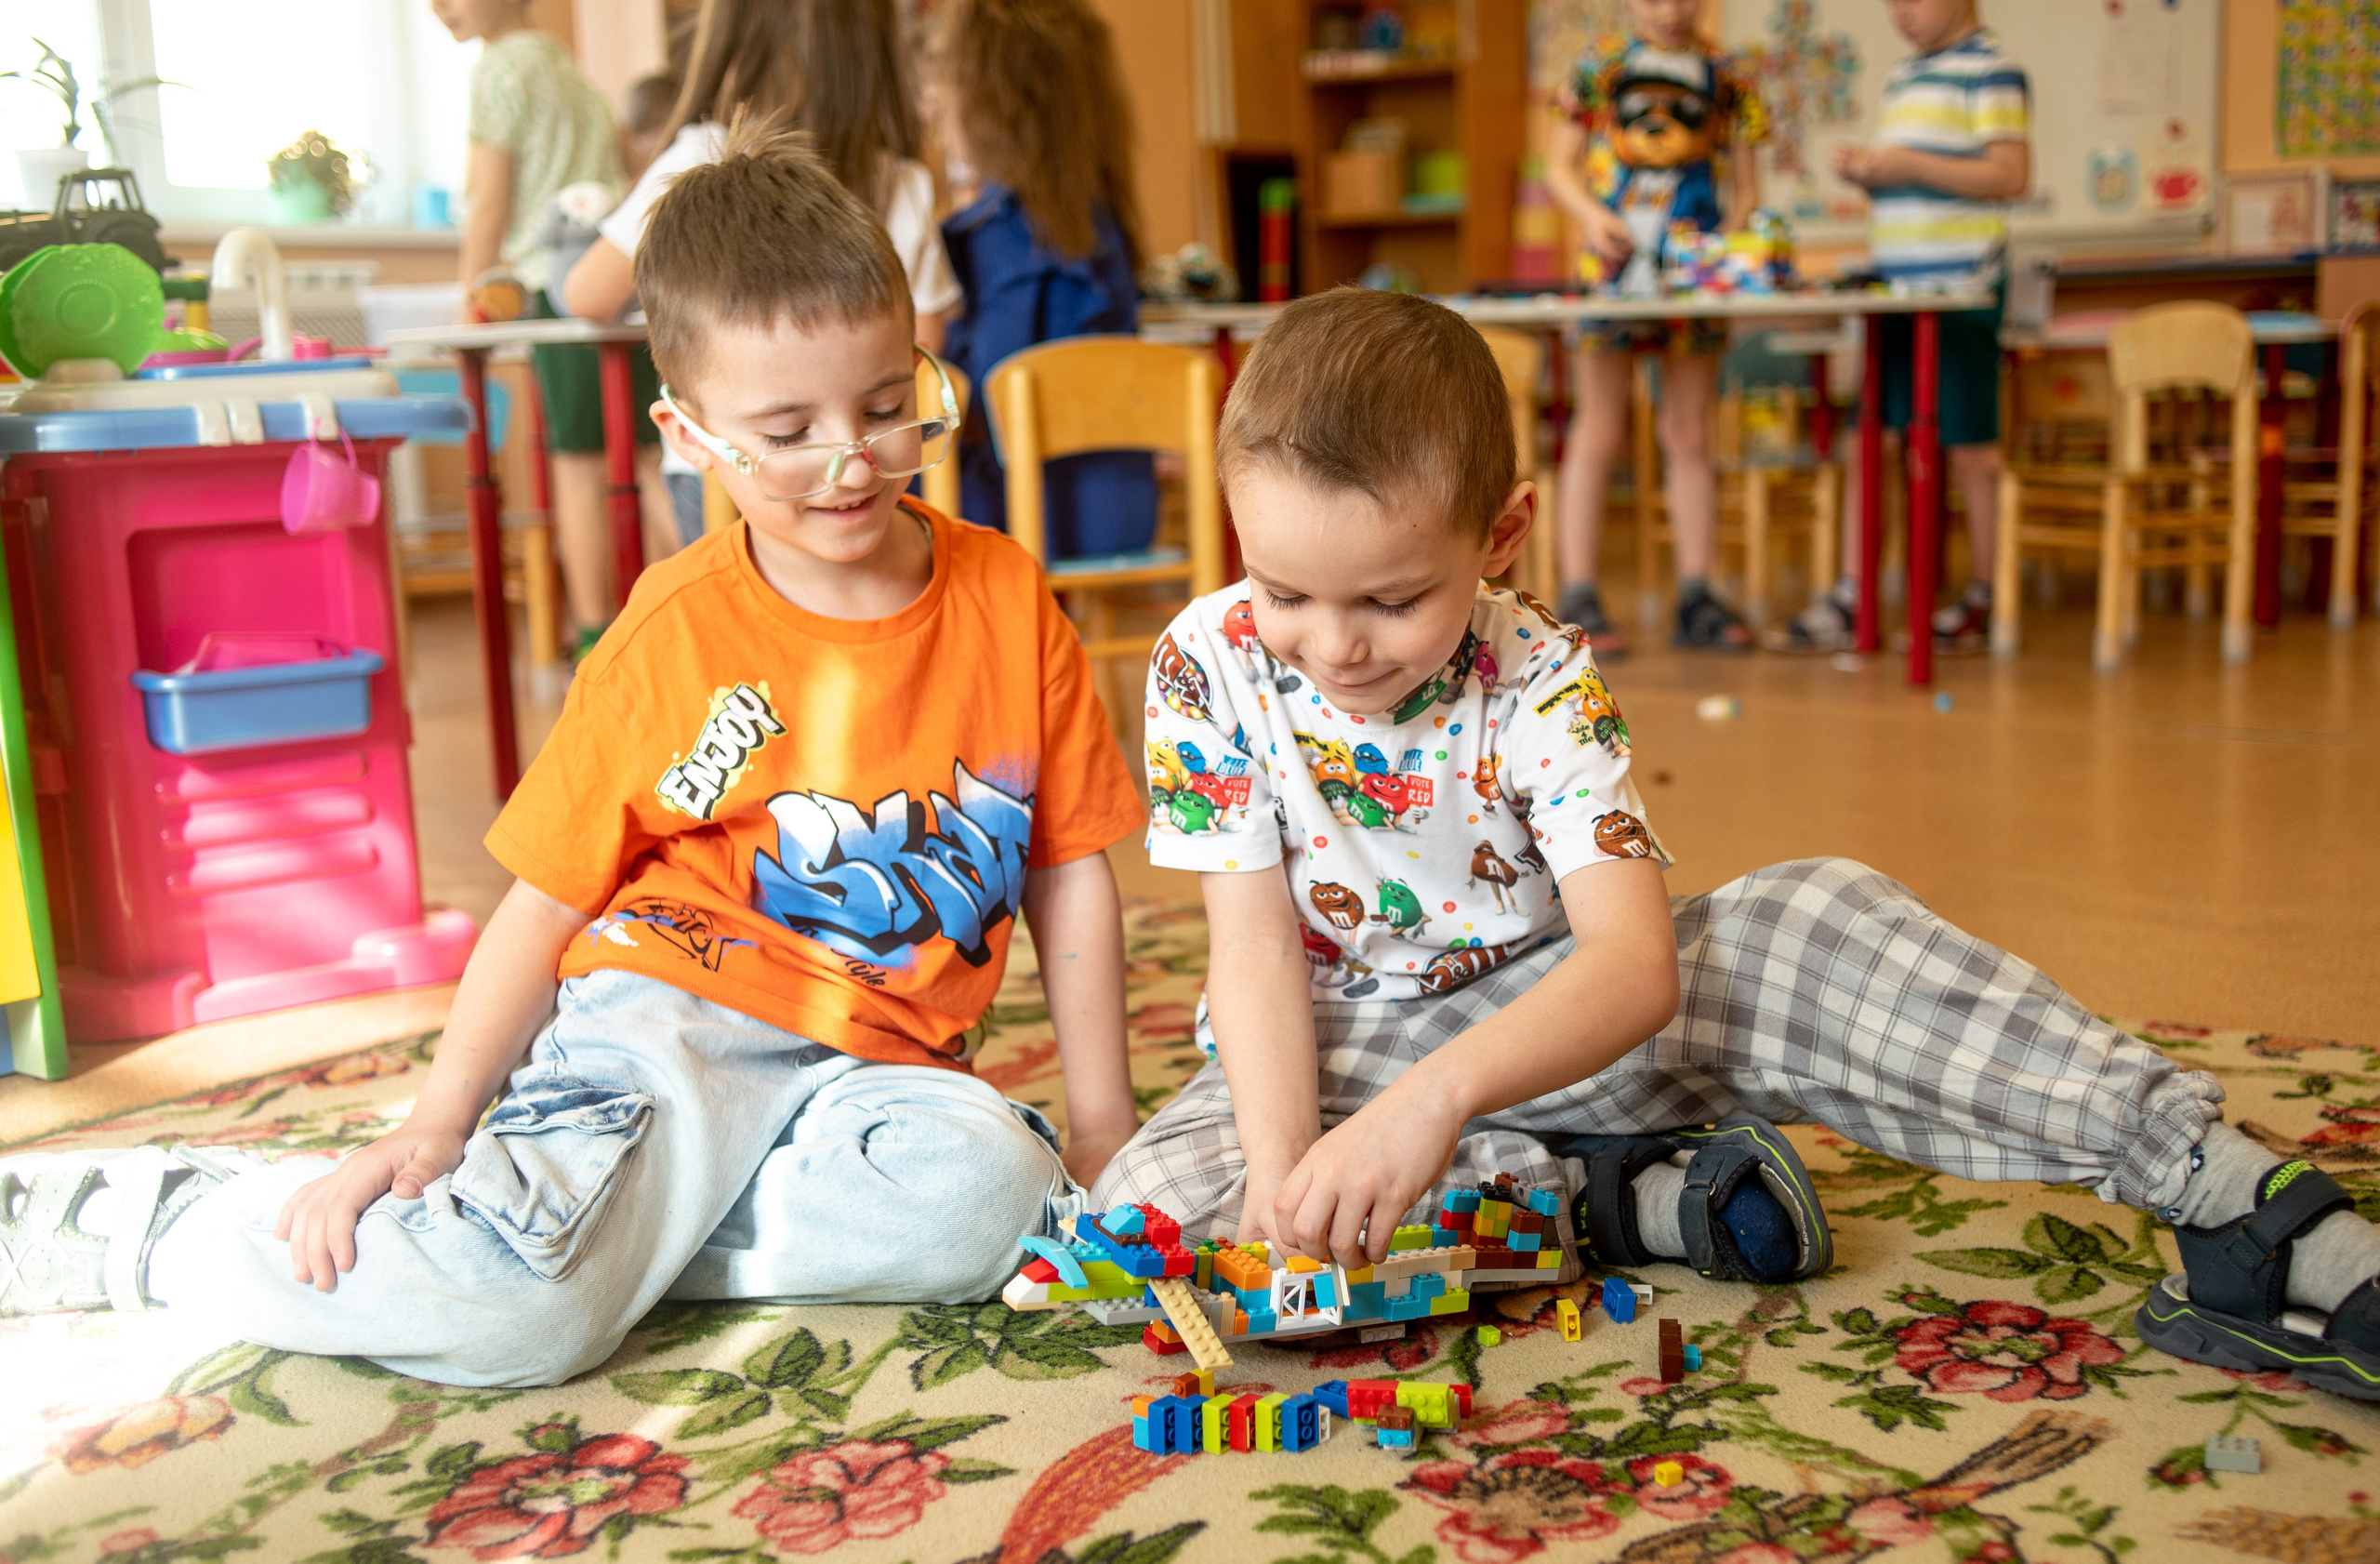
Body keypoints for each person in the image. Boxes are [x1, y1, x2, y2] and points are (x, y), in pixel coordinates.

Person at [0, 121, 1146, 1390]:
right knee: (520, 1326)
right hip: (675, 1015)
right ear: (692, 434)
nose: (850, 461)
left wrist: (1100, 1125)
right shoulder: (673, 627)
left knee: (993, 1198)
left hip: (883, 1073)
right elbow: (543, 898)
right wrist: (437, 1123)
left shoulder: (1004, 592)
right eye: (786, 428)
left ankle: (586, 1242)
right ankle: (173, 1222)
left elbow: (1071, 868)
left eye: (887, 407)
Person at [1093, 286, 2380, 1403]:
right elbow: (1255, 947)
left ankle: (2229, 1197)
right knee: (1134, 1230)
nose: (1332, 645)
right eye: (1285, 590)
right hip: (1338, 1056)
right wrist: (1283, 1178)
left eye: (1391, 597)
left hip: (1567, 1030)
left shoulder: (1542, 671)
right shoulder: (1208, 663)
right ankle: (1617, 1202)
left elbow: (1633, 968)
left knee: (1808, 919)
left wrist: (1436, 1105)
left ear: (1499, 535)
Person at [1777, 0, 2030, 654]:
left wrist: (1909, 164)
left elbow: (2010, 173)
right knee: (1874, 441)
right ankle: (1856, 593)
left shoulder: (1992, 70)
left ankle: (1987, 593)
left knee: (1972, 448)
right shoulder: (1904, 78)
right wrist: (1870, 174)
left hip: (1961, 290)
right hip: (1896, 293)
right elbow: (1918, 180)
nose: (1899, 13)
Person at [432, 0, 677, 656]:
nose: (438, 7)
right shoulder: (572, 71)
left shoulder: (500, 71)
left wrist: (470, 298)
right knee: (647, 455)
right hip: (616, 279)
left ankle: (595, 632)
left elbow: (489, 201)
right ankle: (687, 608)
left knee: (578, 463)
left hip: (555, 285)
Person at [1544, 0, 1768, 654]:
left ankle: (1697, 591)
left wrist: (1722, 246)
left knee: (1690, 430)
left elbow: (1747, 190)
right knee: (1600, 427)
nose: (1669, 10)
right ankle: (1579, 590)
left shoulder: (1732, 75)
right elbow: (1560, 166)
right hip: (1609, 274)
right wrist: (1591, 217)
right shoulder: (1599, 67)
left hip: (1692, 278)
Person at [563, 0, 959, 355]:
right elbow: (923, 340)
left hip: (721, 434)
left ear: (733, 35)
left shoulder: (704, 156)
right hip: (863, 436)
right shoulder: (902, 180)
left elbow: (587, 295)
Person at [929, 0, 1153, 552]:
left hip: (1034, 515)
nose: (933, 107)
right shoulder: (1102, 226)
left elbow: (986, 396)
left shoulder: (1002, 234)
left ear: (989, 106)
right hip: (1117, 508)